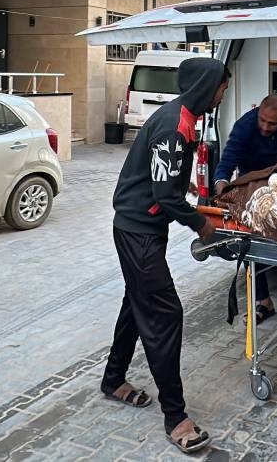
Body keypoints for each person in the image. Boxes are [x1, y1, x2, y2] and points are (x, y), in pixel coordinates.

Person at [102, 57, 229, 455]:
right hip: (138, 230)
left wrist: (193, 196)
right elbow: (164, 195)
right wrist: (201, 224)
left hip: (143, 228)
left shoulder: (185, 119)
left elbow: (167, 181)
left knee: (137, 303)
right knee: (164, 313)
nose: (225, 92)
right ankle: (175, 417)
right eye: (223, 86)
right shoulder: (175, 127)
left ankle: (113, 380)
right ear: (208, 87)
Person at [214, 95, 277, 323]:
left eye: (272, 124)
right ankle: (263, 301)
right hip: (253, 184)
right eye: (262, 120)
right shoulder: (244, 127)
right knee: (254, 244)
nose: (265, 126)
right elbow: (225, 166)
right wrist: (222, 194)